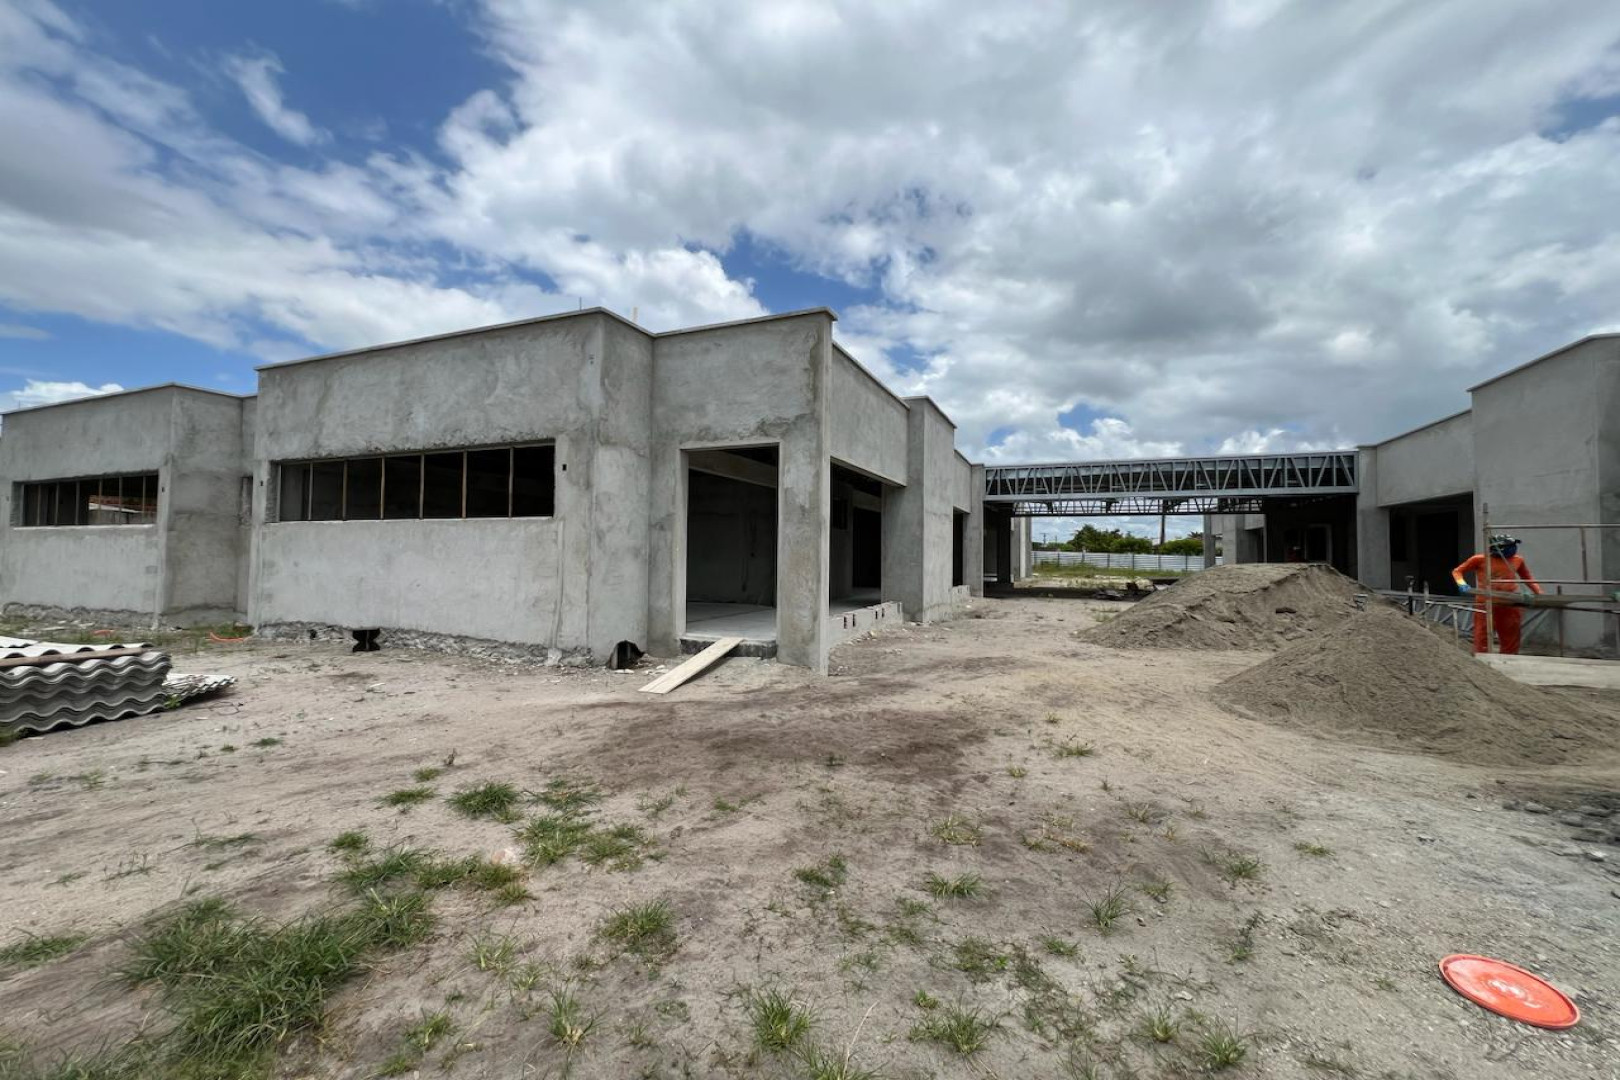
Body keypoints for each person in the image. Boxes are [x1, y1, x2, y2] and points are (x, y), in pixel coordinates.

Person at [1451, 535, 1542, 654]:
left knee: (1511, 633)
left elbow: (1527, 577)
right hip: (1485, 602)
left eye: (1513, 546)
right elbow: (1457, 571)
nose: (1513, 549)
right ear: (1497, 548)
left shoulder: (1517, 560)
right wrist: (1462, 584)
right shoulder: (1479, 559)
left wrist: (1538, 592)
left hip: (1510, 602)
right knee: (1482, 633)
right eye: (1509, 546)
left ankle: (1509, 660)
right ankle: (1481, 660)